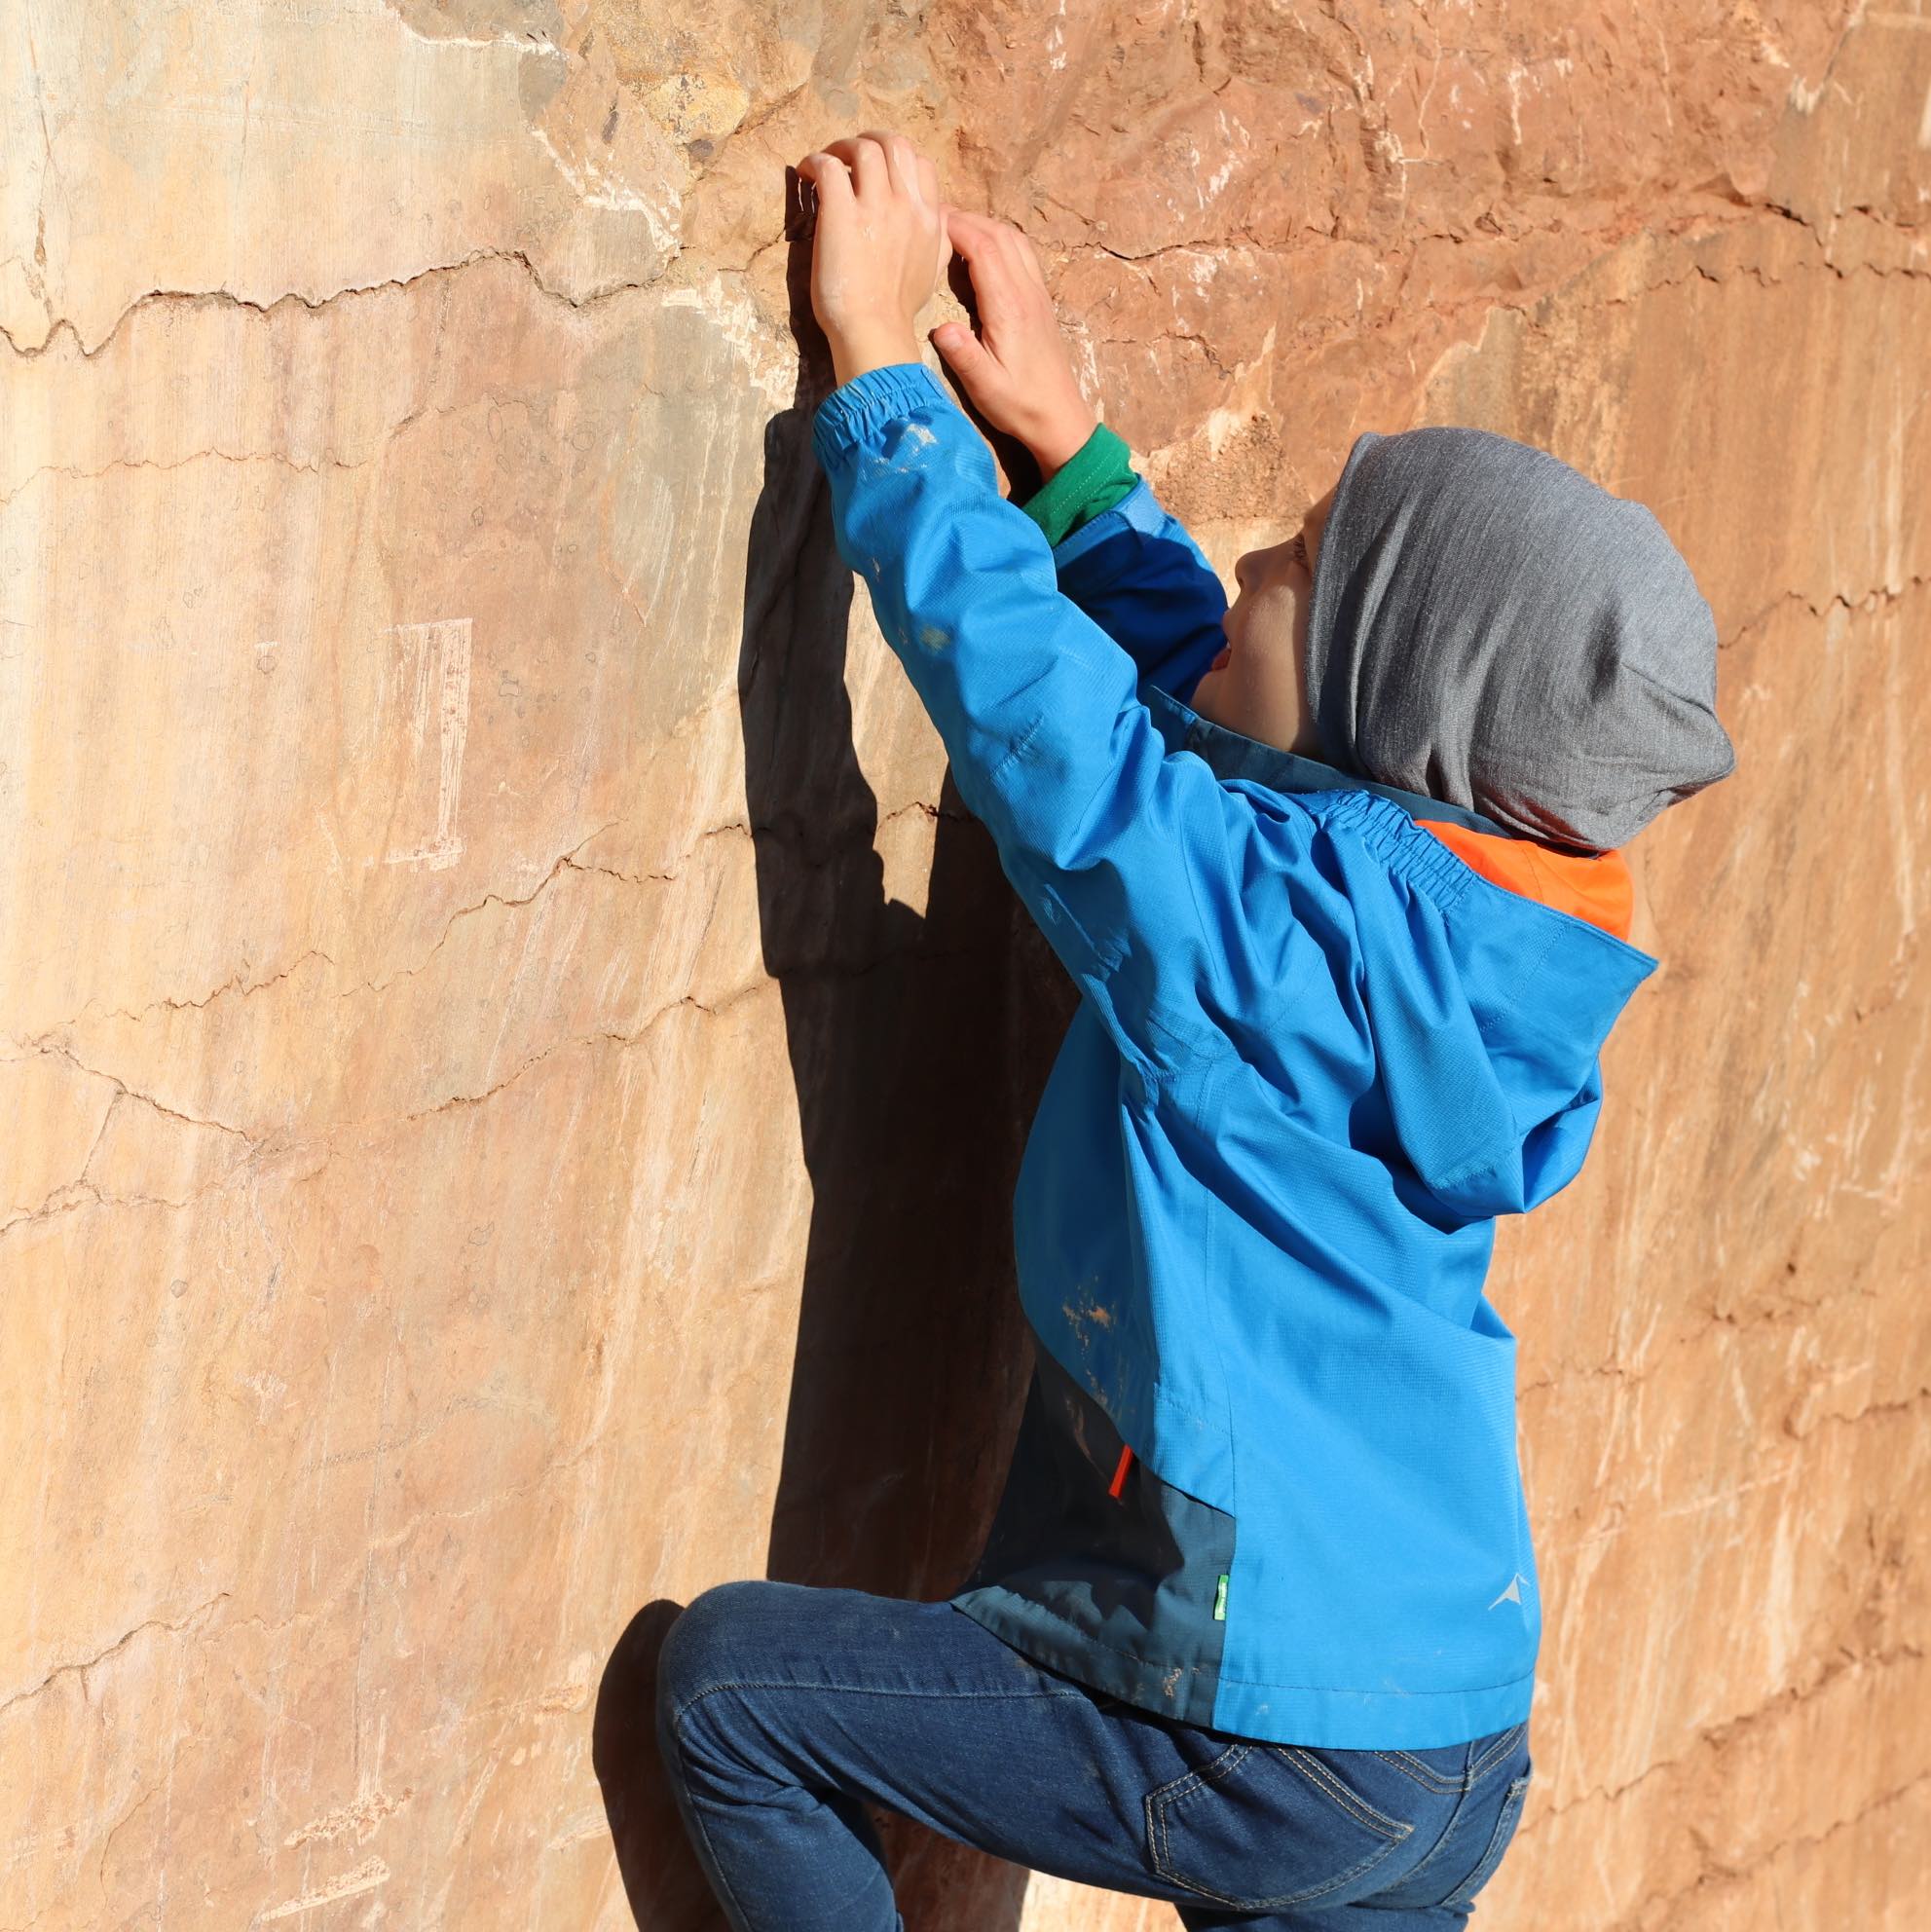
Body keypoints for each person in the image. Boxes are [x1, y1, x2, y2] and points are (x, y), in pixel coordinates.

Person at [653, 130, 1735, 1930]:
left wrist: (875, 382)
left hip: (1269, 1748)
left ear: (1400, 717)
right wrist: (1074, 468)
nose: (1247, 557)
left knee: (736, 1697)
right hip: (1442, 1740)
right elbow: (1240, 738)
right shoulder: (1479, 935)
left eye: (1300, 557)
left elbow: (1070, 754)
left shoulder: (1274, 945)